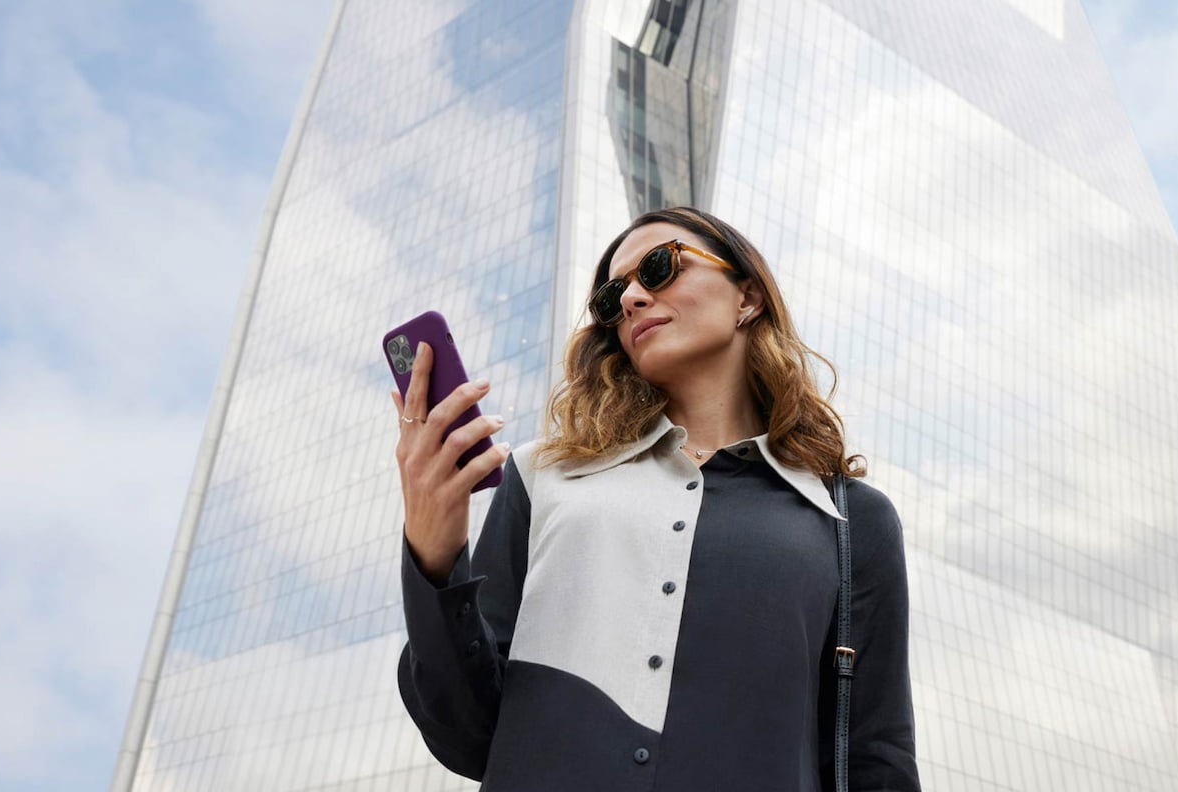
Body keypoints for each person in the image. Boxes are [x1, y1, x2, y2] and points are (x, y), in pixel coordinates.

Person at [392, 206, 921, 791]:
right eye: (611, 297)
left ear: (747, 297)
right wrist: (433, 558)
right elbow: (465, 735)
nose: (631, 300)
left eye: (660, 267)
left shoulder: (850, 518)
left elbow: (878, 754)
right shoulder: (541, 477)